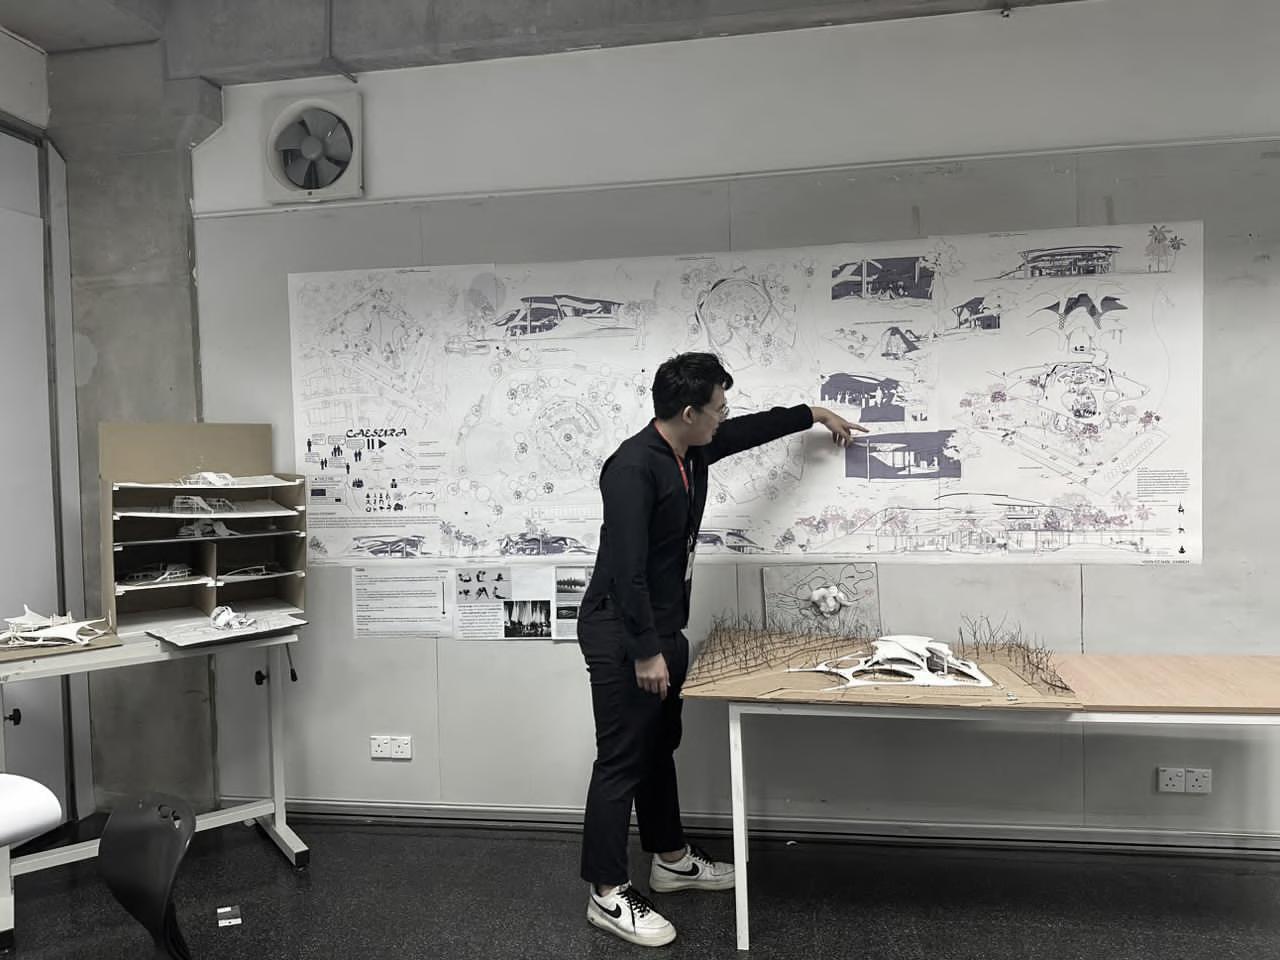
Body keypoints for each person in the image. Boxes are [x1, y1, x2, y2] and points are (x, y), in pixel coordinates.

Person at [575, 351, 866, 946]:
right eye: (717, 409)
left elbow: (750, 429)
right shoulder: (632, 469)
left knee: (659, 747)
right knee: (622, 759)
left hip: (661, 628)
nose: (723, 417)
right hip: (621, 630)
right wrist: (645, 652)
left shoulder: (691, 450)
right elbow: (627, 570)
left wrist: (813, 413)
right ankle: (606, 891)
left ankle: (670, 859)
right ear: (688, 412)